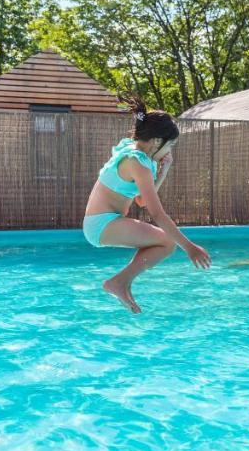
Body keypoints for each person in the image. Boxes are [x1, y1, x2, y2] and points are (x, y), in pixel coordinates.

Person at [82, 96, 211, 313]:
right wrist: (190, 248)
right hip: (102, 225)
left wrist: (164, 170)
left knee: (164, 242)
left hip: (103, 222)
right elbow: (157, 214)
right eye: (170, 144)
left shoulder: (134, 153)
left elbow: (141, 200)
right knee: (168, 243)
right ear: (157, 141)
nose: (170, 150)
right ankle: (118, 282)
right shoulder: (138, 163)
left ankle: (122, 283)